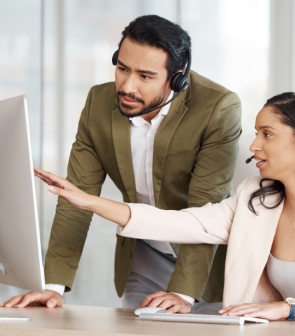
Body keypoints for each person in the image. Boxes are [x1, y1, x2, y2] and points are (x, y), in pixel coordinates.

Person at [8, 92, 295, 322]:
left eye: (267, 134)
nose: (253, 146)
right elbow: (183, 224)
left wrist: (291, 308)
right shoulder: (256, 198)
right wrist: (89, 200)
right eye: (255, 133)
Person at [1, 15, 242, 313]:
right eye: (122, 68)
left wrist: (183, 292)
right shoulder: (98, 102)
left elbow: (206, 208)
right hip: (143, 253)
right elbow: (75, 197)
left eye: (145, 76)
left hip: (205, 262)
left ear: (176, 78)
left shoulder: (218, 108)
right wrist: (52, 287)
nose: (127, 86)